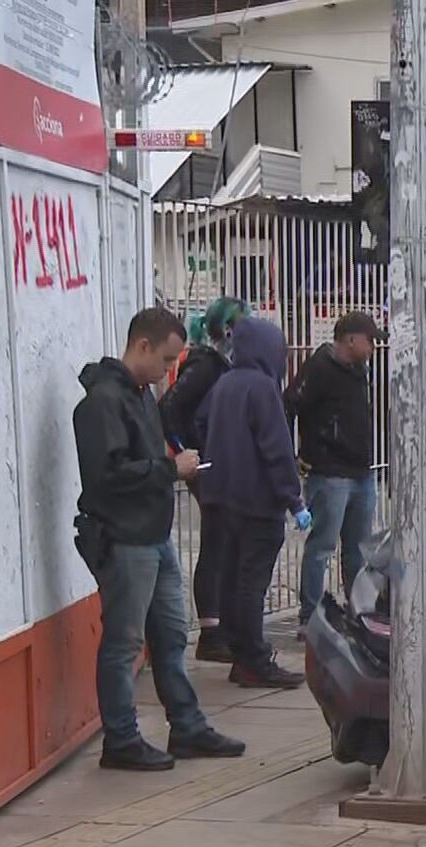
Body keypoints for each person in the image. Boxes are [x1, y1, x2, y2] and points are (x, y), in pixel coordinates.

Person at [73, 308, 246, 770]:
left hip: (154, 535)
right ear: (143, 346)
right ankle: (122, 739)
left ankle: (187, 726)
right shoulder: (102, 403)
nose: (168, 371)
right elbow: (105, 478)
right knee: (124, 642)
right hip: (126, 539)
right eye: (166, 359)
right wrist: (170, 469)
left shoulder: (141, 396)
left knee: (170, 635)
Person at [201, 318, 312, 689]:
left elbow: (204, 429)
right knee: (252, 583)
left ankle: (240, 653)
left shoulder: (224, 384)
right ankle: (254, 659)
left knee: (232, 579)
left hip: (221, 499)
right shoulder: (263, 389)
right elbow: (276, 449)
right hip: (256, 502)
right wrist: (293, 500)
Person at [159, 296, 247, 662]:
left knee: (227, 540)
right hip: (206, 464)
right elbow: (170, 408)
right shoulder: (208, 366)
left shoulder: (224, 364)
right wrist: (187, 451)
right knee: (218, 540)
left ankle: (221, 626)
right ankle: (212, 631)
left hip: (217, 462)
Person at [287, 312, 382, 629]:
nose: (373, 346)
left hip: (361, 472)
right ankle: (310, 618)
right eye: (369, 340)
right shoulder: (321, 367)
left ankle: (358, 613)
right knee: (322, 547)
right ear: (351, 339)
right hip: (330, 473)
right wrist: (300, 452)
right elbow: (291, 403)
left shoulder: (359, 369)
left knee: (358, 550)